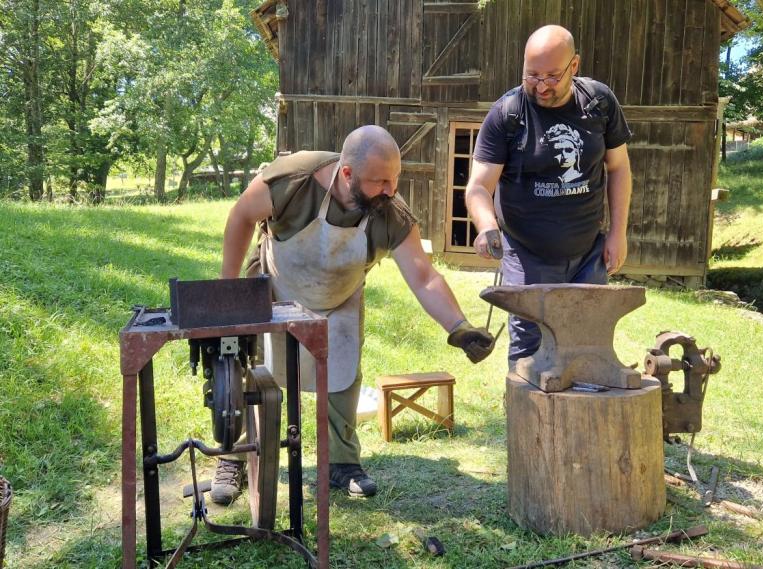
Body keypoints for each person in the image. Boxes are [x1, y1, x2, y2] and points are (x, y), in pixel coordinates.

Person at [214, 125, 495, 502]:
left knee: (342, 377)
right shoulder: (294, 179)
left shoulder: (390, 213)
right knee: (250, 378)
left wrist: (459, 328)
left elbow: (424, 276)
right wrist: (228, 291)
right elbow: (241, 217)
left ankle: (342, 463)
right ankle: (235, 457)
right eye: (380, 181)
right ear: (347, 173)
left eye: (395, 179)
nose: (391, 190)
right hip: (274, 285)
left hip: (340, 298)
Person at [465, 24, 633, 364]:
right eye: (532, 76)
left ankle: (580, 415)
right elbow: (479, 187)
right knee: (530, 350)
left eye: (552, 76)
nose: (542, 87)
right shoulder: (508, 114)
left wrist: (618, 233)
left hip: (589, 254)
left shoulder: (599, 103)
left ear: (574, 66)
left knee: (589, 346)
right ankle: (528, 416)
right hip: (527, 255)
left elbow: (618, 168)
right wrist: (486, 226)